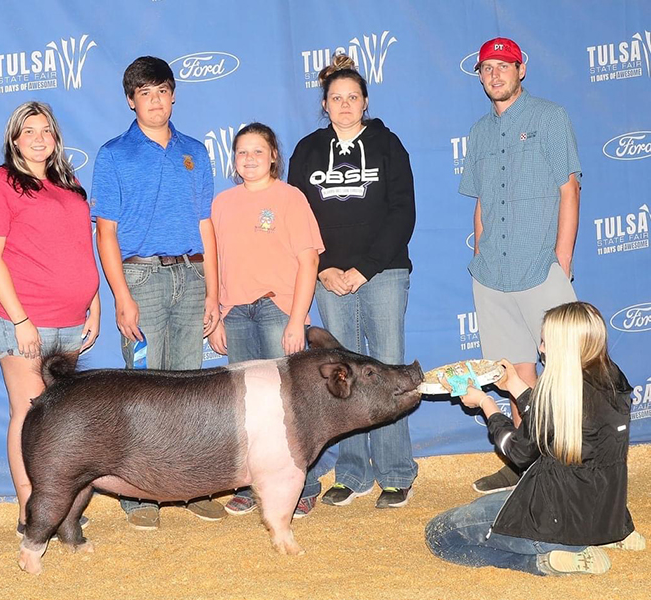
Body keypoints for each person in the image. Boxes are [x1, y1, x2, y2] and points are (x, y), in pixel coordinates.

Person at [91, 56, 225, 529]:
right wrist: (121, 296)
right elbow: (105, 232)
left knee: (192, 389)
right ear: (131, 101)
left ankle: (192, 488)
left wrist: (213, 291)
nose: (155, 101)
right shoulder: (113, 154)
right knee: (143, 390)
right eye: (145, 93)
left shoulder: (195, 151)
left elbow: (206, 225)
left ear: (173, 95)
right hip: (141, 279)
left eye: (162, 91)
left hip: (191, 276)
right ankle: (141, 496)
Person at [425, 301, 645, 576]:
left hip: (550, 523)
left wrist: (485, 404)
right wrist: (514, 384)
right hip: (603, 514)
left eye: (545, 342)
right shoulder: (614, 378)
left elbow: (518, 451)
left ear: (564, 347)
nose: (540, 349)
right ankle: (612, 535)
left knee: (440, 534)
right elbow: (552, 421)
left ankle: (542, 561)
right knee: (480, 508)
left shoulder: (554, 395)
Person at [287, 54, 418, 514]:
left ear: (365, 102)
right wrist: (322, 266)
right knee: (340, 375)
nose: (345, 105)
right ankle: (353, 472)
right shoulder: (307, 150)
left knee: (387, 368)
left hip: (382, 273)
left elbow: (403, 212)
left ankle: (396, 473)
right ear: (324, 104)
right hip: (327, 276)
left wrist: (364, 268)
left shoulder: (388, 145)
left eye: (353, 97)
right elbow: (297, 216)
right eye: (336, 98)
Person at [459, 37, 581, 494]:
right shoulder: (478, 132)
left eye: (503, 65)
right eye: (486, 68)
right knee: (516, 374)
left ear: (521, 69)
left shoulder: (550, 117)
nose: (495, 74)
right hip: (493, 274)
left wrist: (562, 259)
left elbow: (569, 189)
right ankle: (523, 465)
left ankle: (570, 466)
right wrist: (480, 255)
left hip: (541, 268)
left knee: (566, 374)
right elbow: (482, 203)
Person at [0, 101, 100, 536]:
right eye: (28, 131)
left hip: (71, 318)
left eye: (46, 130)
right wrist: (20, 319)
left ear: (56, 138)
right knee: (30, 414)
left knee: (59, 418)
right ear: (14, 139)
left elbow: (82, 247)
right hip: (22, 317)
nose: (39, 138)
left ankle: (57, 507)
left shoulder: (69, 182)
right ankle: (30, 512)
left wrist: (94, 301)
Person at [207, 123, 324, 516]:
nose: (249, 158)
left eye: (258, 150)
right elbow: (216, 263)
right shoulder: (222, 203)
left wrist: (296, 319)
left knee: (290, 402)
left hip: (279, 309)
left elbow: (309, 262)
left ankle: (304, 485)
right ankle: (247, 484)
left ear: (274, 155)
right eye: (242, 152)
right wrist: (218, 315)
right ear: (233, 160)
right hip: (236, 312)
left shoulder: (291, 198)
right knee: (244, 405)